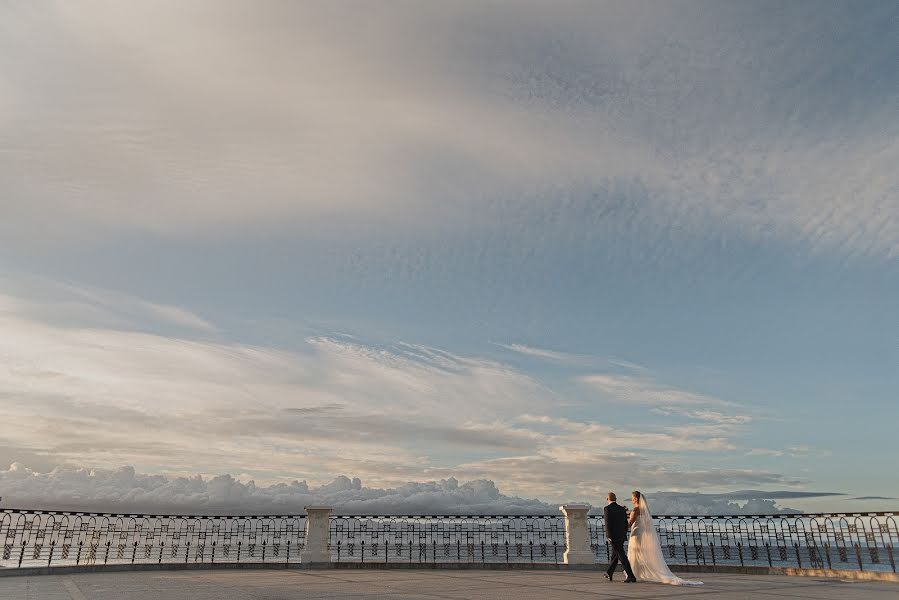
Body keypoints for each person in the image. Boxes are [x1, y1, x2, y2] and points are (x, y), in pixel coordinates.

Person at [626, 491, 703, 585]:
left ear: (636, 499)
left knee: (635, 554)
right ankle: (639, 573)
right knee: (641, 554)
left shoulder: (635, 510)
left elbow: (629, 524)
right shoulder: (645, 510)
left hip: (636, 534)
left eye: (632, 498)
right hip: (643, 534)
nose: (632, 500)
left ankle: (635, 574)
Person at [603, 492, 637, 583]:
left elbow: (607, 523)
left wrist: (609, 536)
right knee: (615, 555)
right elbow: (625, 523)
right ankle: (609, 573)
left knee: (622, 556)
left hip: (613, 536)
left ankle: (631, 576)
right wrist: (624, 534)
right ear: (616, 499)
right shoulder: (622, 508)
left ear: (608, 499)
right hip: (621, 536)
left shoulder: (607, 509)